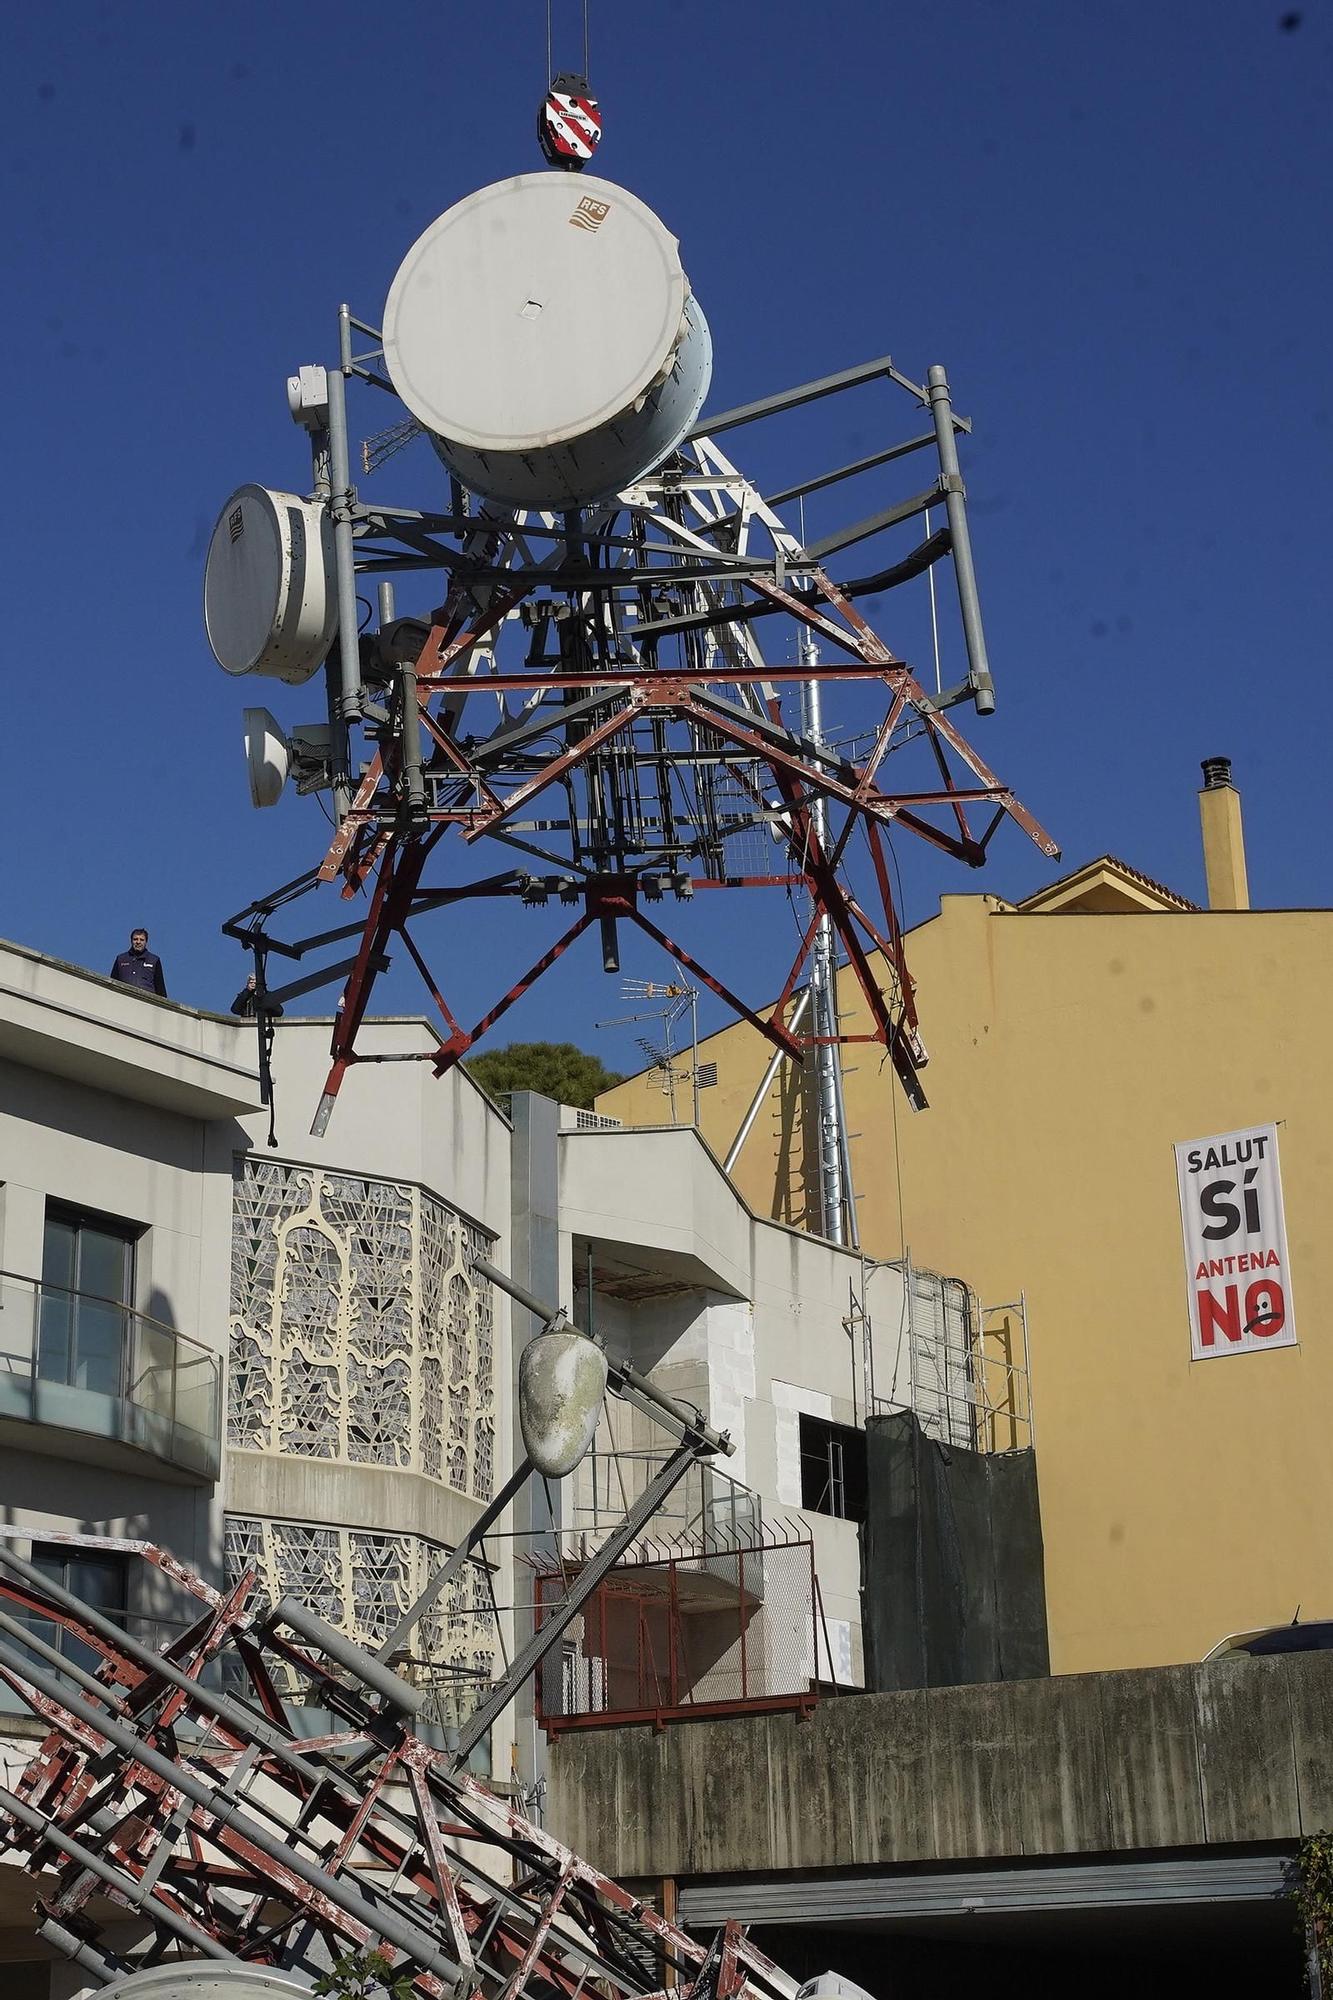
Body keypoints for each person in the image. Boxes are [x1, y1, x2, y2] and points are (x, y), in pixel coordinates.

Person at [109, 928, 167, 997]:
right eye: (135, 939)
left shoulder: (154, 960)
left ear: (146, 942)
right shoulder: (121, 959)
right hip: (123, 1000)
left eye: (141, 940)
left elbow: (160, 989)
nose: (138, 942)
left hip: (146, 1002)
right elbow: (112, 983)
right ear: (131, 941)